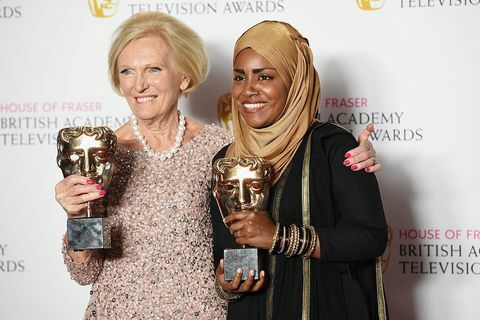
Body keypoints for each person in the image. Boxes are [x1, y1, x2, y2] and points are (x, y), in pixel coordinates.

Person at [54, 12, 380, 319]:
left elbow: (248, 232)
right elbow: (85, 272)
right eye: (127, 71)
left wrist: (351, 155)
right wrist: (78, 215)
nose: (139, 84)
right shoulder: (96, 154)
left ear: (184, 77)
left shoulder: (222, 149)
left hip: (205, 312)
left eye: (153, 69)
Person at [211, 21, 388, 320]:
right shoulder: (227, 159)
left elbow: (370, 237)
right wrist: (228, 283)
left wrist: (279, 237)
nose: (247, 91)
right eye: (239, 77)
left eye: (264, 77)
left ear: (295, 82)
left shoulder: (332, 146)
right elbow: (231, 252)